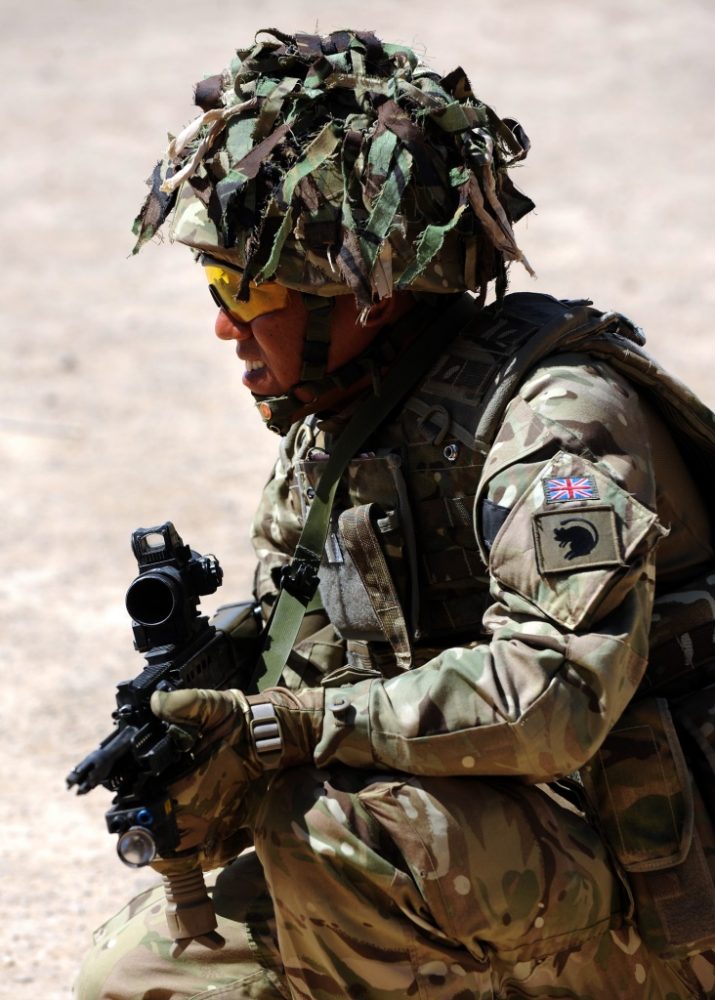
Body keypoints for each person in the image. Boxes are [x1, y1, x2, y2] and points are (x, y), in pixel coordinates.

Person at [75, 28, 715, 1000]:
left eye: (247, 290)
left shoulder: (555, 422)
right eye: (216, 286)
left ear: (363, 297)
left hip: (660, 901)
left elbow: (550, 702)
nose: (223, 324)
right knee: (146, 975)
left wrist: (282, 729)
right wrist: (211, 756)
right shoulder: (337, 439)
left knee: (330, 832)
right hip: (512, 858)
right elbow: (321, 676)